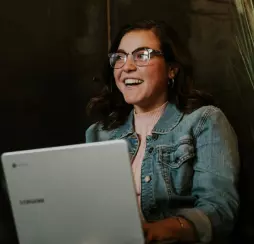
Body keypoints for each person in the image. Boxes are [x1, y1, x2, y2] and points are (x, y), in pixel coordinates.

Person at [85, 20, 240, 243]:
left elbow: (220, 210)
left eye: (142, 55)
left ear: (171, 69)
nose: (126, 66)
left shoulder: (204, 121)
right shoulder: (98, 133)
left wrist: (159, 230)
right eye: (119, 57)